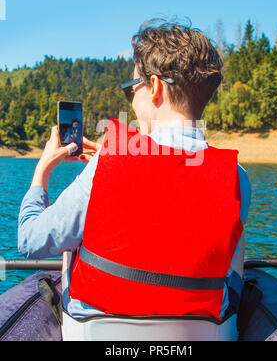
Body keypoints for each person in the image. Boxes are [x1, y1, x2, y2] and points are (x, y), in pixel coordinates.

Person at [18, 18, 251, 320]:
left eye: (132, 89)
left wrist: (43, 171)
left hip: (98, 330)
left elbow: (29, 241)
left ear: (154, 88)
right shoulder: (237, 178)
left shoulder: (107, 163)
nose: (131, 100)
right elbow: (176, 191)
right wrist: (117, 163)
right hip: (200, 331)